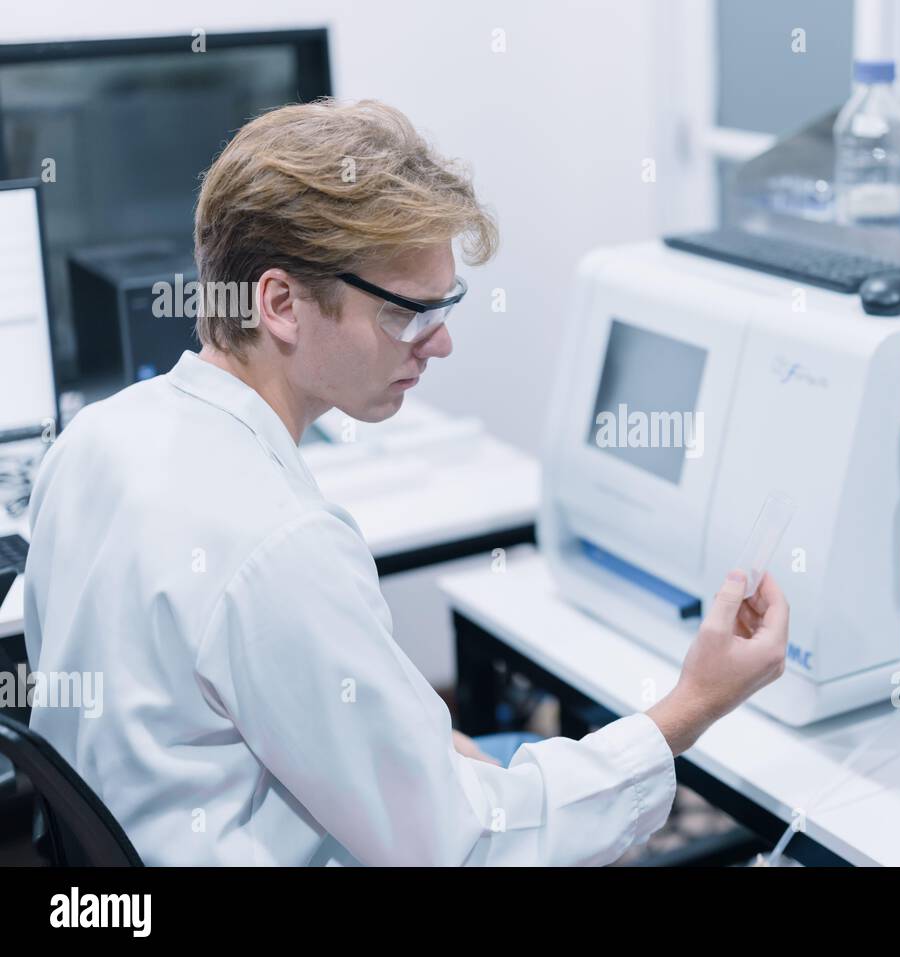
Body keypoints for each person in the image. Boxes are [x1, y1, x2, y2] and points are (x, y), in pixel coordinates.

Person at [22, 99, 789, 865]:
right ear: (281, 304)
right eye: (408, 313)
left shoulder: (96, 437)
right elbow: (464, 849)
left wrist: (412, 729)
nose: (442, 341)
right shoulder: (282, 547)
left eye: (442, 307)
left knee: (500, 753)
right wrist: (695, 700)